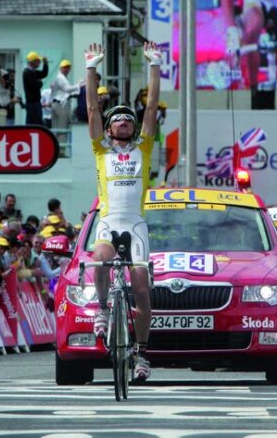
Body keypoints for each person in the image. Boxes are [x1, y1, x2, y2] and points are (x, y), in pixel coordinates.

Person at [85, 40, 161, 381]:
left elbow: (152, 107)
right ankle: (102, 310)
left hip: (136, 225)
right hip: (108, 222)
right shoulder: (101, 151)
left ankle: (142, 355)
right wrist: (91, 70)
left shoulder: (144, 148)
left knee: (142, 288)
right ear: (110, 128)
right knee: (99, 258)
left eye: (128, 120)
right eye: (117, 120)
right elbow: (90, 111)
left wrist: (154, 65)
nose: (124, 123)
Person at [50, 59, 82, 148]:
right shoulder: (60, 77)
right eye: (65, 67)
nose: (67, 69)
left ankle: (56, 149)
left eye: (68, 67)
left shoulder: (59, 78)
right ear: (61, 68)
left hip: (57, 103)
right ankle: (61, 150)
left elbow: (65, 91)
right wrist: (79, 85)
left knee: (56, 128)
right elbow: (67, 89)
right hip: (61, 105)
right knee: (62, 128)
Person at [22, 51, 49, 126]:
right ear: (32, 61)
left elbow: (44, 73)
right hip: (32, 103)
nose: (39, 62)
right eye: (38, 61)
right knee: (34, 123)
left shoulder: (33, 72)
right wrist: (40, 83)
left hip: (35, 102)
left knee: (36, 122)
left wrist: (45, 64)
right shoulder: (27, 72)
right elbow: (34, 86)